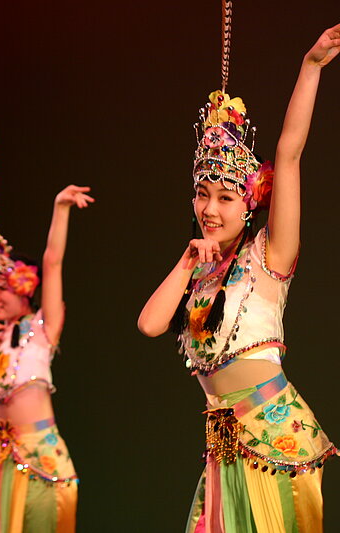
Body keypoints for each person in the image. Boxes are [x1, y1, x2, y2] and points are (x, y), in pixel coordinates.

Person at [137, 24, 340, 532]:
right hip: (222, 450)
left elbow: (289, 154)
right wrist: (186, 264)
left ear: (248, 205)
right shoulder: (199, 270)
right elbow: (150, 325)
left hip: (273, 440)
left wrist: (310, 66)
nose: (209, 209)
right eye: (202, 194)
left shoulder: (268, 256)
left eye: (225, 197)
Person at [0, 184, 94, 532]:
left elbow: (52, 262)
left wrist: (61, 207)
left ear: (24, 289)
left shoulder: (43, 327)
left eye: (2, 288)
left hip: (39, 454)